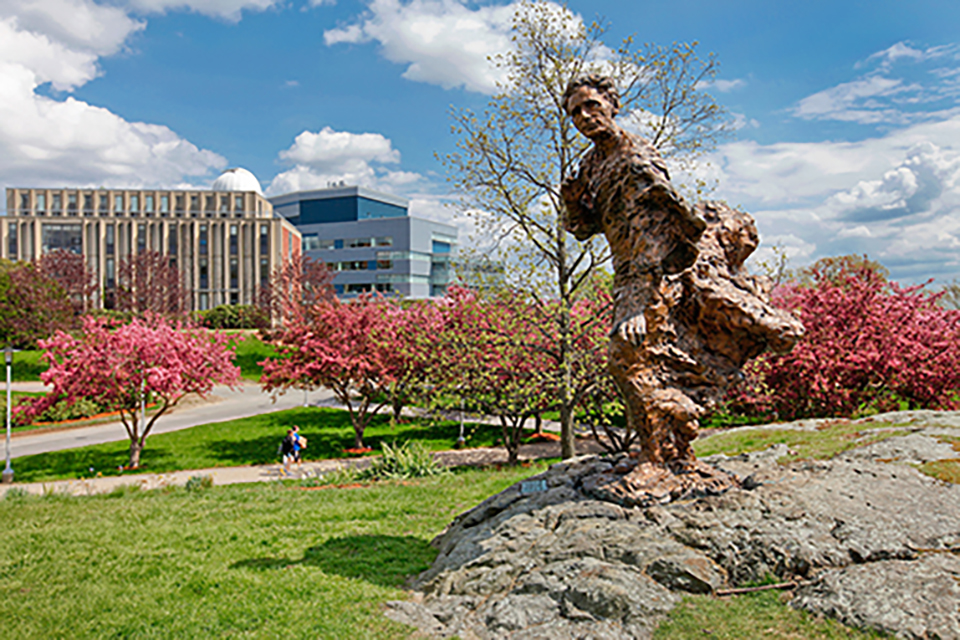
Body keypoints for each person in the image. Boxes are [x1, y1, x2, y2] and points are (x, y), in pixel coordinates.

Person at [560, 73, 706, 464]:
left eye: (592, 105)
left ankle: (665, 453)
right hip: (623, 272)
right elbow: (584, 230)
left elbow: (660, 224)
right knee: (633, 362)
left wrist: (644, 302)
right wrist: (575, 203)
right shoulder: (590, 165)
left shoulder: (636, 154)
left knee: (628, 355)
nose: (585, 116)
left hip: (652, 272)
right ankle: (661, 450)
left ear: (613, 104)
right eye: (576, 112)